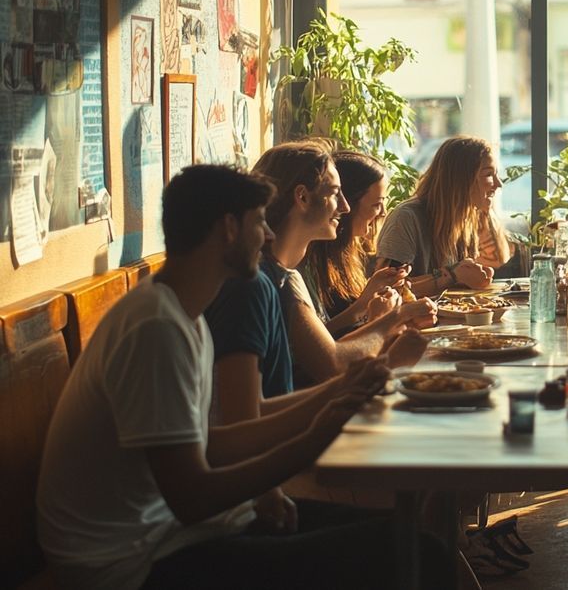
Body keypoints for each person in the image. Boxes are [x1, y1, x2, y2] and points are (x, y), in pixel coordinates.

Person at [36, 165, 449, 589]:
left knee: (410, 536)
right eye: (259, 224)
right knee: (416, 553)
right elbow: (193, 498)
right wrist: (315, 434)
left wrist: (342, 389)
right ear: (229, 229)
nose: (269, 238)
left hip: (177, 534)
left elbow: (214, 441)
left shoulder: (183, 311)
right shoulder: (156, 328)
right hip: (133, 564)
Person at [206, 140, 435, 394]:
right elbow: (331, 364)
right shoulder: (262, 277)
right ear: (302, 197)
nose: (345, 207)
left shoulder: (285, 272)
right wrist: (394, 320)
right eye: (335, 193)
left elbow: (325, 352)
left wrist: (384, 324)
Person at [375, 135, 513, 296]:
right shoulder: (406, 218)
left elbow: (499, 258)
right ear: (462, 179)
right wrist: (452, 276)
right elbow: (387, 290)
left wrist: (486, 211)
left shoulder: (467, 216)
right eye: (489, 175)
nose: (498, 184)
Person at [301, 151, 408, 337]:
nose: (383, 212)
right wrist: (367, 309)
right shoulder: (305, 262)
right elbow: (318, 345)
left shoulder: (350, 252)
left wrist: (376, 295)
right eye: (377, 204)